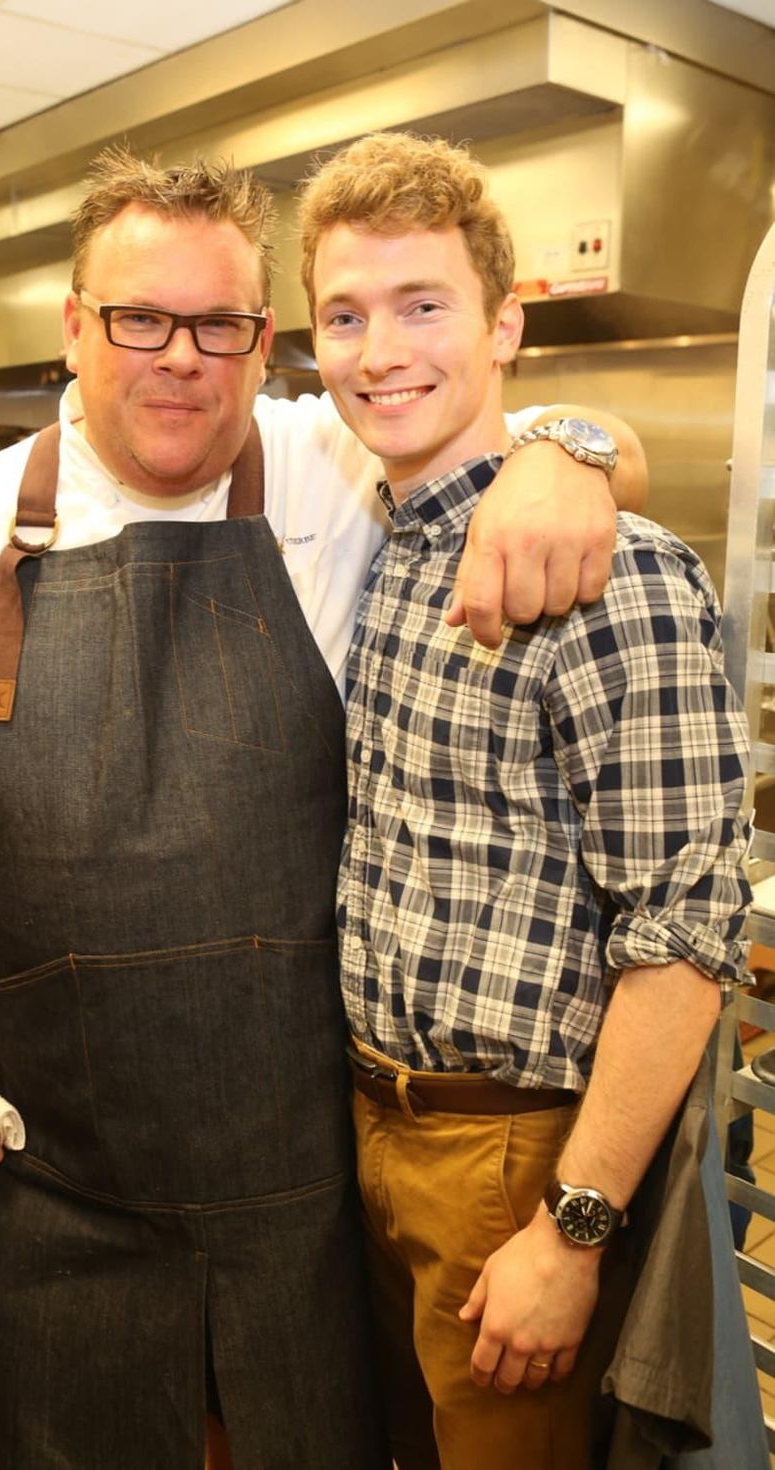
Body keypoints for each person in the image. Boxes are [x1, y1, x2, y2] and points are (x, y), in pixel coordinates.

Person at [0, 146, 646, 1470]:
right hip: (54, 1177)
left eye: (221, 325)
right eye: (141, 318)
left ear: (266, 344)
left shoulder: (335, 472)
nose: (180, 358)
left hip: (295, 1178)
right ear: (76, 327)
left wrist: (574, 452)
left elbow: (513, 428)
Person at [298, 131, 753, 1470]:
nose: (379, 351)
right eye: (343, 314)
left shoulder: (617, 576)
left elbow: (684, 933)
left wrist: (574, 1226)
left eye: (422, 305)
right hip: (369, 1124)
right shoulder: (384, 545)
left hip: (515, 1153)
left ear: (506, 323)